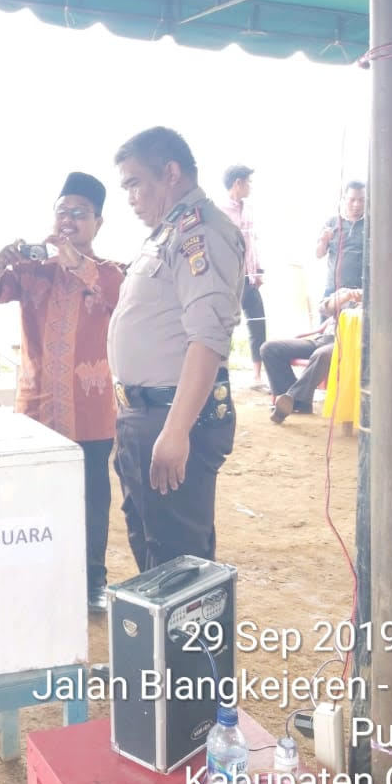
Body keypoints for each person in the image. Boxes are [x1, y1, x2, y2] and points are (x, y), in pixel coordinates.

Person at [0, 171, 124, 612]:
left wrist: (74, 260)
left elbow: (116, 296)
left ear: (98, 223)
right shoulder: (32, 271)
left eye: (80, 213)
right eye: (62, 211)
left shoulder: (110, 272)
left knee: (92, 500)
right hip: (37, 410)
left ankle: (92, 581)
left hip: (90, 413)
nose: (69, 219)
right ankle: (40, 578)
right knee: (35, 497)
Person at [108, 127, 243, 574]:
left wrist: (175, 430)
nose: (130, 197)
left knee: (180, 566)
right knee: (153, 553)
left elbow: (208, 338)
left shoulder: (199, 232)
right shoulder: (166, 233)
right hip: (143, 415)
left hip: (173, 416)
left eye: (134, 183)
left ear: (170, 173)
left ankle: (186, 630)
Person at [263, 288, 362, 424]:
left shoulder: (377, 298)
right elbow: (323, 309)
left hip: (347, 343)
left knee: (321, 355)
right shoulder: (345, 291)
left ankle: (293, 400)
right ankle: (293, 400)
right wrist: (345, 297)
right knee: (269, 349)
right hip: (323, 339)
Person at [218, 165, 266, 387]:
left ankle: (257, 376)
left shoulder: (249, 210)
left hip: (250, 278)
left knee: (258, 323)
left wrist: (258, 270)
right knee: (224, 327)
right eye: (248, 182)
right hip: (229, 280)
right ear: (238, 183)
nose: (251, 186)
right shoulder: (219, 211)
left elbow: (252, 244)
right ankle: (220, 373)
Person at [315, 181, 366, 298]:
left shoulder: (372, 224)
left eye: (361, 200)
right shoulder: (332, 222)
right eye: (352, 200)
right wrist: (323, 241)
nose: (357, 204)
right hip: (333, 291)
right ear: (344, 198)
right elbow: (319, 254)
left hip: (360, 293)